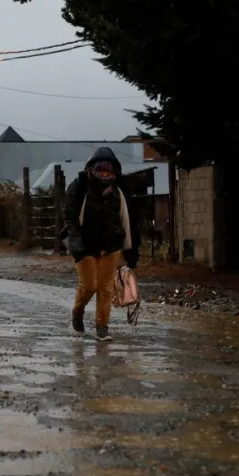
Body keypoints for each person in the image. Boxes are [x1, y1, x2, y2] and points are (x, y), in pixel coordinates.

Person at [63, 146, 140, 341]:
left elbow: (129, 219)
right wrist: (76, 246)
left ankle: (102, 326)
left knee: (105, 288)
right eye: (100, 170)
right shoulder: (79, 187)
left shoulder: (120, 189)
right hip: (84, 245)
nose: (104, 175)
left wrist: (131, 251)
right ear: (91, 169)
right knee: (89, 285)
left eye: (108, 171)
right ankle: (77, 313)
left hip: (111, 245)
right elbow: (70, 218)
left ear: (114, 171)